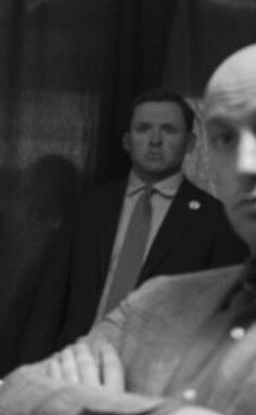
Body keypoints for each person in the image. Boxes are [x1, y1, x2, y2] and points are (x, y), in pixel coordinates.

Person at [0, 44, 256, 415]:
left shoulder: (205, 222)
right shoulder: (160, 300)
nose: (247, 163)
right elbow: (11, 407)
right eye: (227, 137)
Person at [22, 88, 246, 361]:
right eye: (143, 129)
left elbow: (222, 318)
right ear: (127, 141)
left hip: (159, 371)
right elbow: (51, 298)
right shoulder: (89, 207)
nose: (155, 140)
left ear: (190, 143)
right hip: (76, 363)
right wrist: (33, 365)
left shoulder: (216, 220)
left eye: (169, 130)